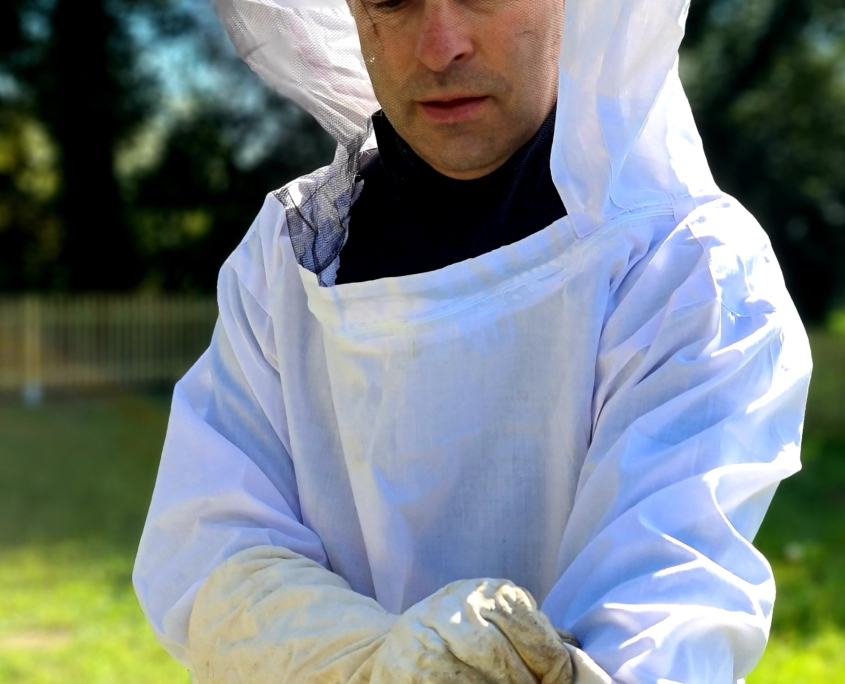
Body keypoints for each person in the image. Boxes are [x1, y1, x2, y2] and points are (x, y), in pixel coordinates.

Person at [133, 0, 813, 682]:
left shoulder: (687, 271)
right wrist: (382, 667)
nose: (438, 47)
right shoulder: (283, 259)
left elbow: (664, 613)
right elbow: (212, 551)